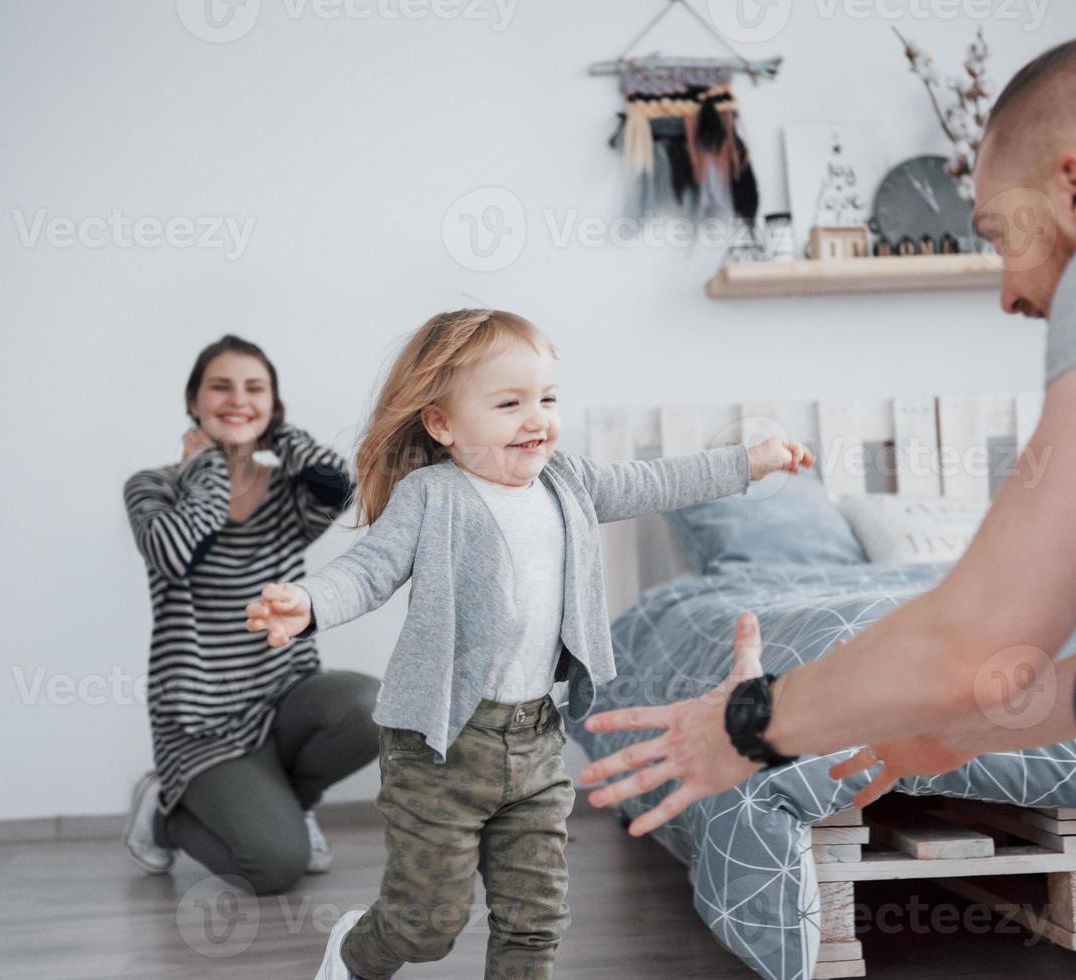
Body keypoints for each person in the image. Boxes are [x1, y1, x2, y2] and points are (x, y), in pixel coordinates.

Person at [578, 13, 1076, 978]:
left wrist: (747, 723)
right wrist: (945, 732)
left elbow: (981, 636)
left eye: (999, 234)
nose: (1007, 293)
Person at [244, 308, 814, 980]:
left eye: (547, 398)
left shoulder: (566, 483)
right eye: (510, 403)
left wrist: (750, 462)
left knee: (535, 919)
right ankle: (355, 951)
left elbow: (660, 480)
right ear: (443, 424)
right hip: (439, 747)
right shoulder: (432, 496)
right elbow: (366, 573)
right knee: (427, 923)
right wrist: (308, 604)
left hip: (536, 737)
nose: (537, 418)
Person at [121, 334, 380, 896]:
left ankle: (291, 803)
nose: (237, 398)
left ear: (273, 407)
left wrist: (277, 433)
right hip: (201, 721)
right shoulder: (153, 487)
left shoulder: (289, 494)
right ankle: (164, 810)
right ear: (194, 401)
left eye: (254, 389)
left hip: (283, 696)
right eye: (221, 387)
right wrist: (209, 466)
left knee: (371, 705)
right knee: (275, 868)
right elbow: (175, 552)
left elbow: (343, 488)